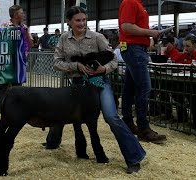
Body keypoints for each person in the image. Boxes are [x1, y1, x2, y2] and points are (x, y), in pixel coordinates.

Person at [45, 6, 145, 174]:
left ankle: (134, 157)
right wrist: (75, 65)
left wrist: (103, 70)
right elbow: (56, 62)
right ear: (69, 22)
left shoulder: (97, 37)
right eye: (77, 20)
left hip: (99, 83)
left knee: (111, 116)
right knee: (62, 110)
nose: (82, 23)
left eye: (84, 20)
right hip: (77, 83)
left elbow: (113, 60)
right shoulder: (63, 39)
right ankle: (52, 142)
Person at [118, 0, 166, 144]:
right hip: (134, 47)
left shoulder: (137, 3)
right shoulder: (131, 2)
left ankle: (127, 122)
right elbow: (126, 26)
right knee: (144, 87)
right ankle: (143, 127)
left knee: (130, 87)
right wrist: (150, 32)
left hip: (134, 48)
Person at [0, 5, 33, 123]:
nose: (23, 15)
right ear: (15, 15)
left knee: (18, 89)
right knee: (1, 89)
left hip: (20, 62)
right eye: (21, 13)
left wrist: (27, 33)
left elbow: (31, 44)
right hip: (6, 63)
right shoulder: (5, 26)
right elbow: (0, 42)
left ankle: (17, 114)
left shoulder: (24, 27)